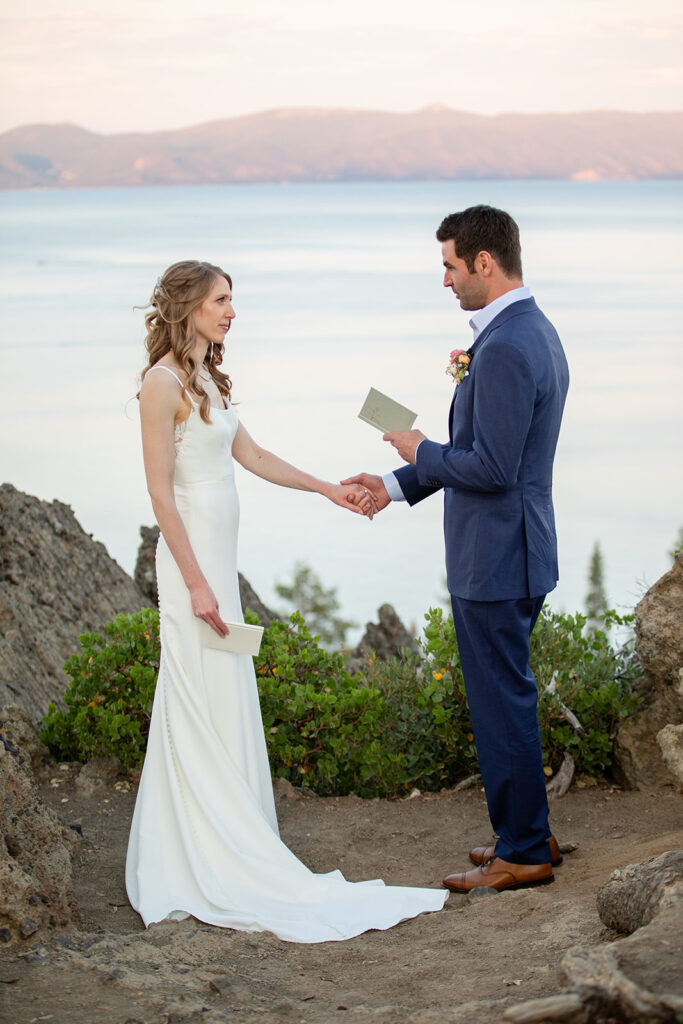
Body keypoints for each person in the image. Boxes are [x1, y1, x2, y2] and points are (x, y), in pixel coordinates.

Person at [125, 259, 447, 941]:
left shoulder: (207, 377)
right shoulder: (160, 384)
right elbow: (159, 492)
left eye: (231, 301)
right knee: (191, 698)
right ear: (187, 307)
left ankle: (235, 836)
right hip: (191, 567)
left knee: (225, 692)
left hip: (216, 559)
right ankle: (193, 855)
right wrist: (196, 583)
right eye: (220, 301)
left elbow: (255, 456)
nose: (231, 312)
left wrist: (327, 488)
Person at [344, 206, 569, 894]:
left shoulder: (501, 347)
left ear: (482, 261)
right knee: (508, 697)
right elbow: (484, 458)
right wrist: (394, 483)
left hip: (495, 556)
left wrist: (420, 449)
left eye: (448, 264)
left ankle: (524, 850)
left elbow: (490, 467)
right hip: (516, 547)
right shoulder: (530, 331)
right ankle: (524, 832)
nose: (443, 279)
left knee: (499, 701)